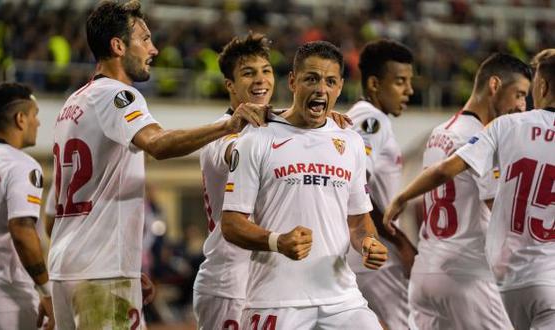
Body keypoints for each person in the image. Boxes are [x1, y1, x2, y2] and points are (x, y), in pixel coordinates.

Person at [47, 1, 268, 329]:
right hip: (101, 273)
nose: (154, 48)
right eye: (145, 39)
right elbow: (158, 143)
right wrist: (226, 126)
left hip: (66, 269)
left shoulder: (72, 104)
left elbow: (54, 215)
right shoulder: (118, 95)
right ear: (118, 46)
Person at [221, 40, 388, 329]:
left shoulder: (350, 141)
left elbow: (359, 221)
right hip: (276, 299)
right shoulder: (256, 138)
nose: (321, 88)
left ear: (339, 88)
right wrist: (277, 241)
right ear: (293, 81)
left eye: (330, 81)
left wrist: (368, 243)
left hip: (342, 299)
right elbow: (231, 224)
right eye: (312, 79)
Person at [192, 32, 352, 329]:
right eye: (248, 73)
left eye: (266, 71)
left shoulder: (269, 128)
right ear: (230, 85)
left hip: (266, 278)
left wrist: (321, 119)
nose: (260, 80)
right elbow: (238, 150)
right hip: (228, 279)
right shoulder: (221, 133)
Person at [383, 54, 555, 330]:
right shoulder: (488, 135)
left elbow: (441, 174)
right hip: (469, 275)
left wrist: (402, 196)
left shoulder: (442, 131)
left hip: (426, 272)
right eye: (519, 95)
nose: (522, 105)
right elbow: (499, 205)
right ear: (495, 85)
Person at [343, 39, 416, 329]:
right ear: (374, 83)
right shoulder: (371, 119)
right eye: (400, 81)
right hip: (377, 253)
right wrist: (401, 242)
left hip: (365, 250)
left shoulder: (369, 118)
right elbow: (355, 184)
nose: (409, 90)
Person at [0, 82, 54, 329]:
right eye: (34, 115)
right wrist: (47, 291)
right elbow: (21, 230)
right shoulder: (22, 165)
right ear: (21, 119)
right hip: (4, 295)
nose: (38, 123)